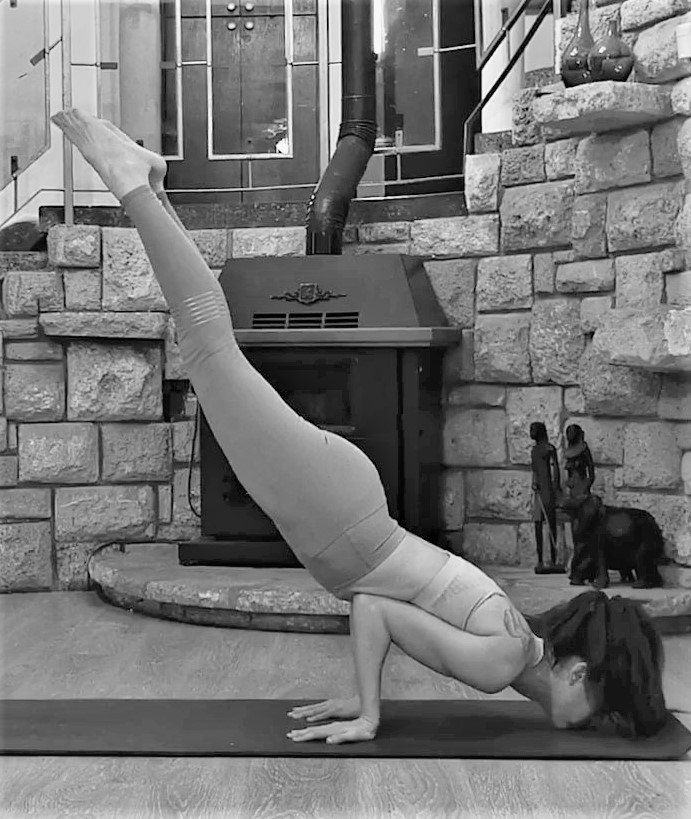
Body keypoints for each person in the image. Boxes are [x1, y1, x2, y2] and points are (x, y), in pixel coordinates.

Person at [51, 109, 668, 745]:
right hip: (341, 517)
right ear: (578, 673)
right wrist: (370, 713)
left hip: (346, 514)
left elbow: (379, 606)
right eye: (602, 710)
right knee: (209, 350)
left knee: (210, 350)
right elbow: (375, 606)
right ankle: (132, 185)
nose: (597, 724)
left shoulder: (514, 642)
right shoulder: (502, 661)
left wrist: (363, 699)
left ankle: (150, 187)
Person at [529, 421, 563, 574]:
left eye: (533, 430)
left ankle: (554, 559)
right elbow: (535, 470)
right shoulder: (534, 450)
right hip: (539, 490)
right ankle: (540, 559)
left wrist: (556, 487)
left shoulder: (549, 449)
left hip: (548, 490)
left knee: (551, 523)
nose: (531, 433)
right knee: (538, 523)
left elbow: (555, 469)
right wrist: (534, 482)